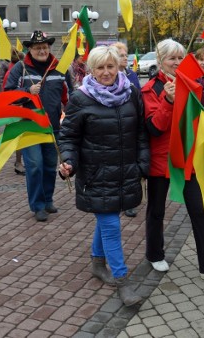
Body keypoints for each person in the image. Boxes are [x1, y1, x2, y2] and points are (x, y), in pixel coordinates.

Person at [58, 45, 149, 307]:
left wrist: (143, 163)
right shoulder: (80, 98)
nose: (106, 72)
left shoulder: (131, 93)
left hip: (125, 170)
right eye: (100, 67)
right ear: (91, 70)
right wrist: (69, 163)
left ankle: (97, 264)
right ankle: (123, 281)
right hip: (96, 173)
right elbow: (69, 137)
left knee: (107, 218)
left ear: (118, 66)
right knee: (111, 225)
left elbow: (141, 132)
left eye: (111, 66)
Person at [142, 38, 204, 284]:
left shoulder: (193, 85)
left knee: (200, 211)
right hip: (161, 161)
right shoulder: (150, 89)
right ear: (161, 62)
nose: (177, 62)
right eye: (172, 58)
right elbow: (154, 128)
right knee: (156, 211)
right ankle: (154, 253)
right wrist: (168, 101)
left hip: (188, 158)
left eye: (181, 58)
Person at [5, 30, 69, 222]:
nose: (41, 50)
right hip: (29, 125)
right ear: (30, 49)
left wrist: (70, 115)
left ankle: (48, 199)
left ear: (49, 47)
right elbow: (7, 95)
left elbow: (69, 95)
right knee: (34, 166)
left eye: (44, 47)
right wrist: (27, 91)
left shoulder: (59, 68)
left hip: (52, 126)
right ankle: (37, 205)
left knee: (50, 166)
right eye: (37, 47)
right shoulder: (20, 68)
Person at [114, 42, 141, 218]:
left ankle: (129, 202)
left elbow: (139, 96)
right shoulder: (110, 76)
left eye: (126, 54)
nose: (126, 57)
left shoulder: (132, 74)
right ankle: (118, 199)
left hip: (132, 123)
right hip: (115, 127)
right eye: (122, 55)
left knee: (130, 166)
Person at [2, 48, 26, 175]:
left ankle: (20, 161)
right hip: (15, 108)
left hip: (18, 108)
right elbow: (9, 92)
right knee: (19, 136)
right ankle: (18, 162)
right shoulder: (13, 72)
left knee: (21, 135)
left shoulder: (14, 70)